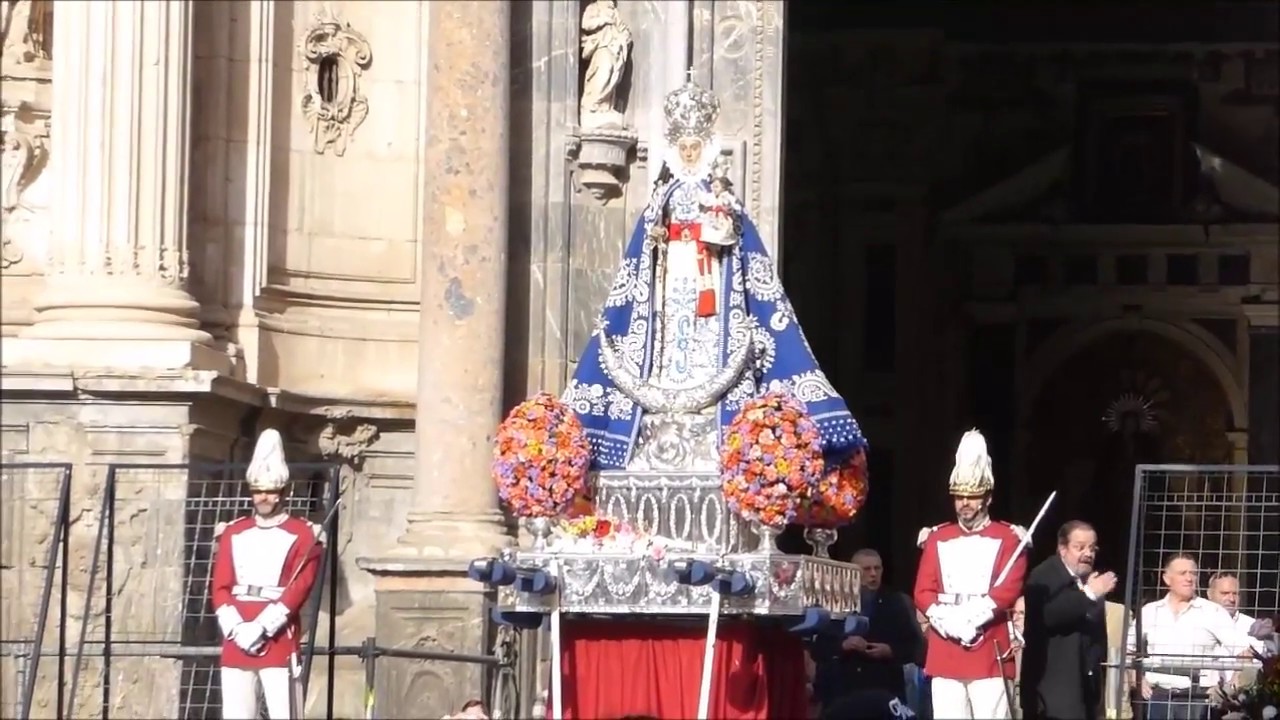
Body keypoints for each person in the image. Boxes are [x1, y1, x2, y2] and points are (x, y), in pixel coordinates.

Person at [561, 76, 866, 471]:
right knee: (669, 336)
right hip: (670, 282)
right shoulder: (662, 199)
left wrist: (718, 220)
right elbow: (642, 255)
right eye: (683, 147)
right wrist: (659, 239)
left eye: (694, 147)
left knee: (704, 332)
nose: (688, 154)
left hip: (710, 280)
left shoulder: (721, 196)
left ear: (704, 149)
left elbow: (739, 251)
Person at [914, 429, 1028, 720]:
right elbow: (923, 591)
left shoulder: (1009, 538)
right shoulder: (937, 537)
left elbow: (1008, 590)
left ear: (987, 498)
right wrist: (950, 622)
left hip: (988, 646)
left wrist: (971, 618)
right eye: (959, 497)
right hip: (945, 644)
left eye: (973, 496)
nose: (965, 503)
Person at [211, 429, 325, 720]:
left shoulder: (303, 534)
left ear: (283, 491)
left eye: (270, 491)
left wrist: (262, 627)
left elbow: (299, 589)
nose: (263, 497)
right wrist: (237, 628)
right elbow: (221, 586)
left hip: (277, 635)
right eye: (257, 490)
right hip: (236, 633)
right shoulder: (233, 532)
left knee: (285, 713)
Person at [1126, 553, 1254, 720]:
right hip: (1157, 697)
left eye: (1193, 573)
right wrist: (1138, 679)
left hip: (1198, 698)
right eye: (1182, 573)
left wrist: (1230, 688)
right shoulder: (1150, 611)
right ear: (1166, 578)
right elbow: (1127, 650)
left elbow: (1245, 652)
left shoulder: (1213, 612)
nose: (1189, 578)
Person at [1020, 520, 1115, 720]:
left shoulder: (1089, 579)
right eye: (1079, 547)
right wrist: (1089, 594)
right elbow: (1048, 615)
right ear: (1062, 549)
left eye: (1092, 548)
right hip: (1053, 691)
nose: (1088, 554)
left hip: (1086, 688)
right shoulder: (1044, 576)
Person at [814, 549, 923, 709]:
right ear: (852, 572)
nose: (873, 574)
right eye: (866, 569)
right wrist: (843, 645)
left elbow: (915, 646)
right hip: (842, 692)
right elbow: (818, 648)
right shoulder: (833, 603)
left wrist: (890, 650)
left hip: (884, 691)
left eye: (877, 568)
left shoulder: (897, 602)